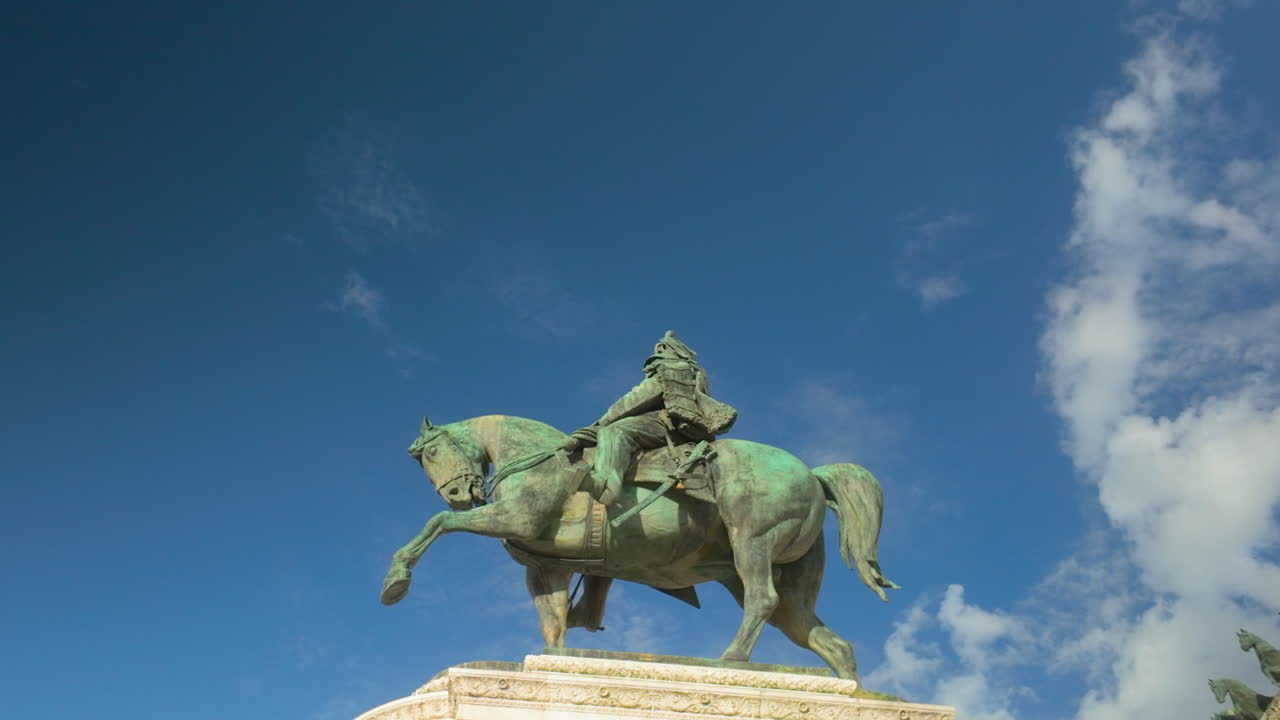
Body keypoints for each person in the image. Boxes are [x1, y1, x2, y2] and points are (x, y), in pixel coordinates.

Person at [562, 331, 737, 505]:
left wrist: (594, 428)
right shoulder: (690, 371)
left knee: (614, 431)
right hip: (684, 426)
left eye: (661, 349)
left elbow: (635, 399)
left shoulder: (670, 367)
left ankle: (604, 486)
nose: (657, 353)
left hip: (670, 424)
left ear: (670, 351)